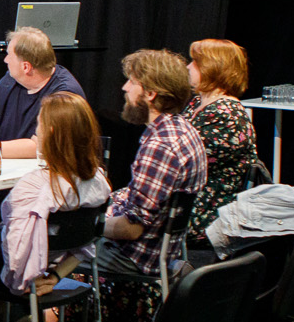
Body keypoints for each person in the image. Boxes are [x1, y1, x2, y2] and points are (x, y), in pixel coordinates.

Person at [0, 93, 113, 322]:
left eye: (38, 124)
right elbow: (88, 243)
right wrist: (54, 276)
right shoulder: (100, 183)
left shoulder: (33, 188)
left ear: (50, 131)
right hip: (52, 266)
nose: (35, 131)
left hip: (13, 274)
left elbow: (16, 264)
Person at [97, 48, 207, 279]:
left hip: (136, 257)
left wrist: (88, 226)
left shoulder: (160, 146)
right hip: (162, 250)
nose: (125, 88)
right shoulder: (183, 128)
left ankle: (46, 313)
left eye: (132, 82)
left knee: (53, 243)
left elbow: (131, 229)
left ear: (150, 94)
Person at [0, 27, 86, 161]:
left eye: (9, 55)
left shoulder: (64, 95)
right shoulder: (11, 80)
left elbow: (39, 146)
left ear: (26, 67)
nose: (5, 60)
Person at [185, 39, 256, 238]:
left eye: (195, 62)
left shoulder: (226, 114)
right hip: (184, 202)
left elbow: (183, 163)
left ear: (213, 68)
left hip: (205, 215)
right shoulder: (198, 103)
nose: (188, 66)